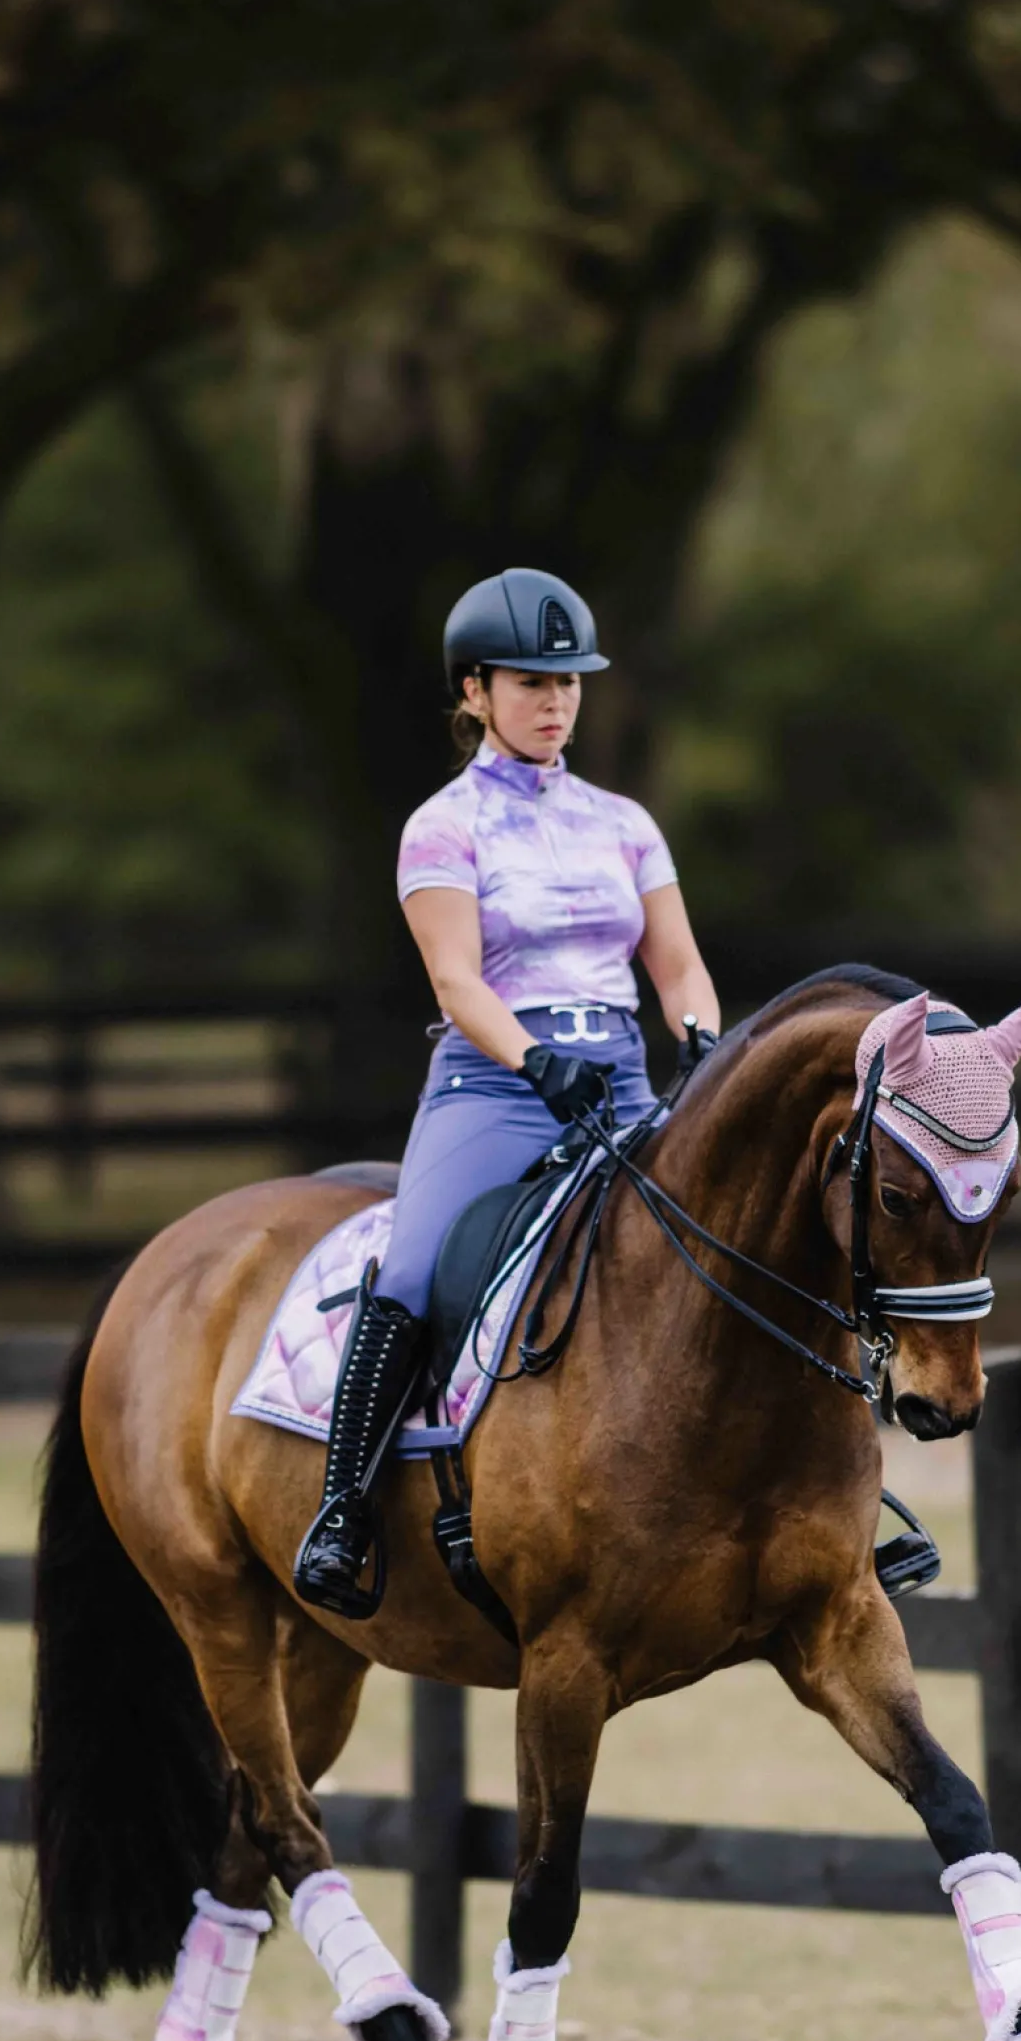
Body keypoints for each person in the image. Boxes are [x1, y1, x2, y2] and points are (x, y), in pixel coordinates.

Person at [293, 567, 721, 1615]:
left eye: (568, 681)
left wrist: (702, 1039)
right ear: (475, 691)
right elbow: (456, 981)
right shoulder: (443, 828)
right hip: (494, 1087)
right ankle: (343, 1513)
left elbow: (676, 965)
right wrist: (534, 1059)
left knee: (734, 1243)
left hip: (619, 1080)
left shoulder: (624, 824)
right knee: (414, 1266)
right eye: (531, 681)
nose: (556, 700)